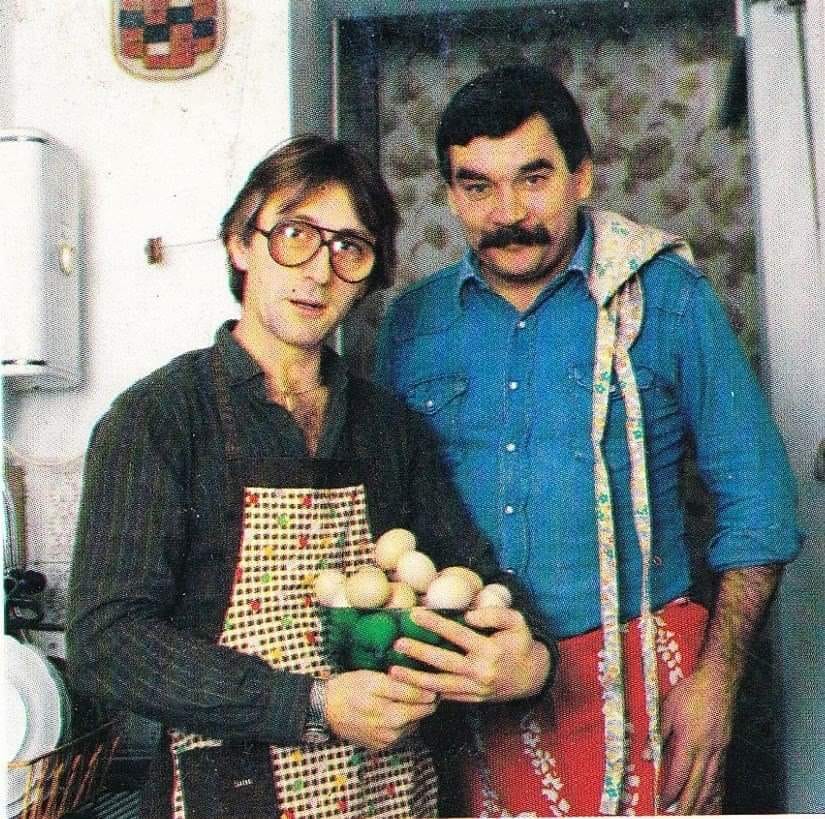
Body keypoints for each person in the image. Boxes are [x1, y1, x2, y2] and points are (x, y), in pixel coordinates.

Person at [66, 134, 553, 819]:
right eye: (296, 235)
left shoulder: (389, 427)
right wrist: (314, 703)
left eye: (349, 248)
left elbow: (474, 574)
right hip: (229, 795)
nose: (319, 272)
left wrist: (532, 661)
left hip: (390, 791)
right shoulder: (158, 418)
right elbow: (106, 643)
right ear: (241, 243)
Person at [374, 64, 802, 816]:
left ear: (581, 176)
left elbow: (759, 501)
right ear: (449, 194)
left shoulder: (663, 297)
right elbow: (386, 512)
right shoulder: (413, 324)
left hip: (645, 681)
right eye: (477, 185)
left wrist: (717, 683)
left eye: (533, 177)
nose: (509, 212)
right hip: (469, 693)